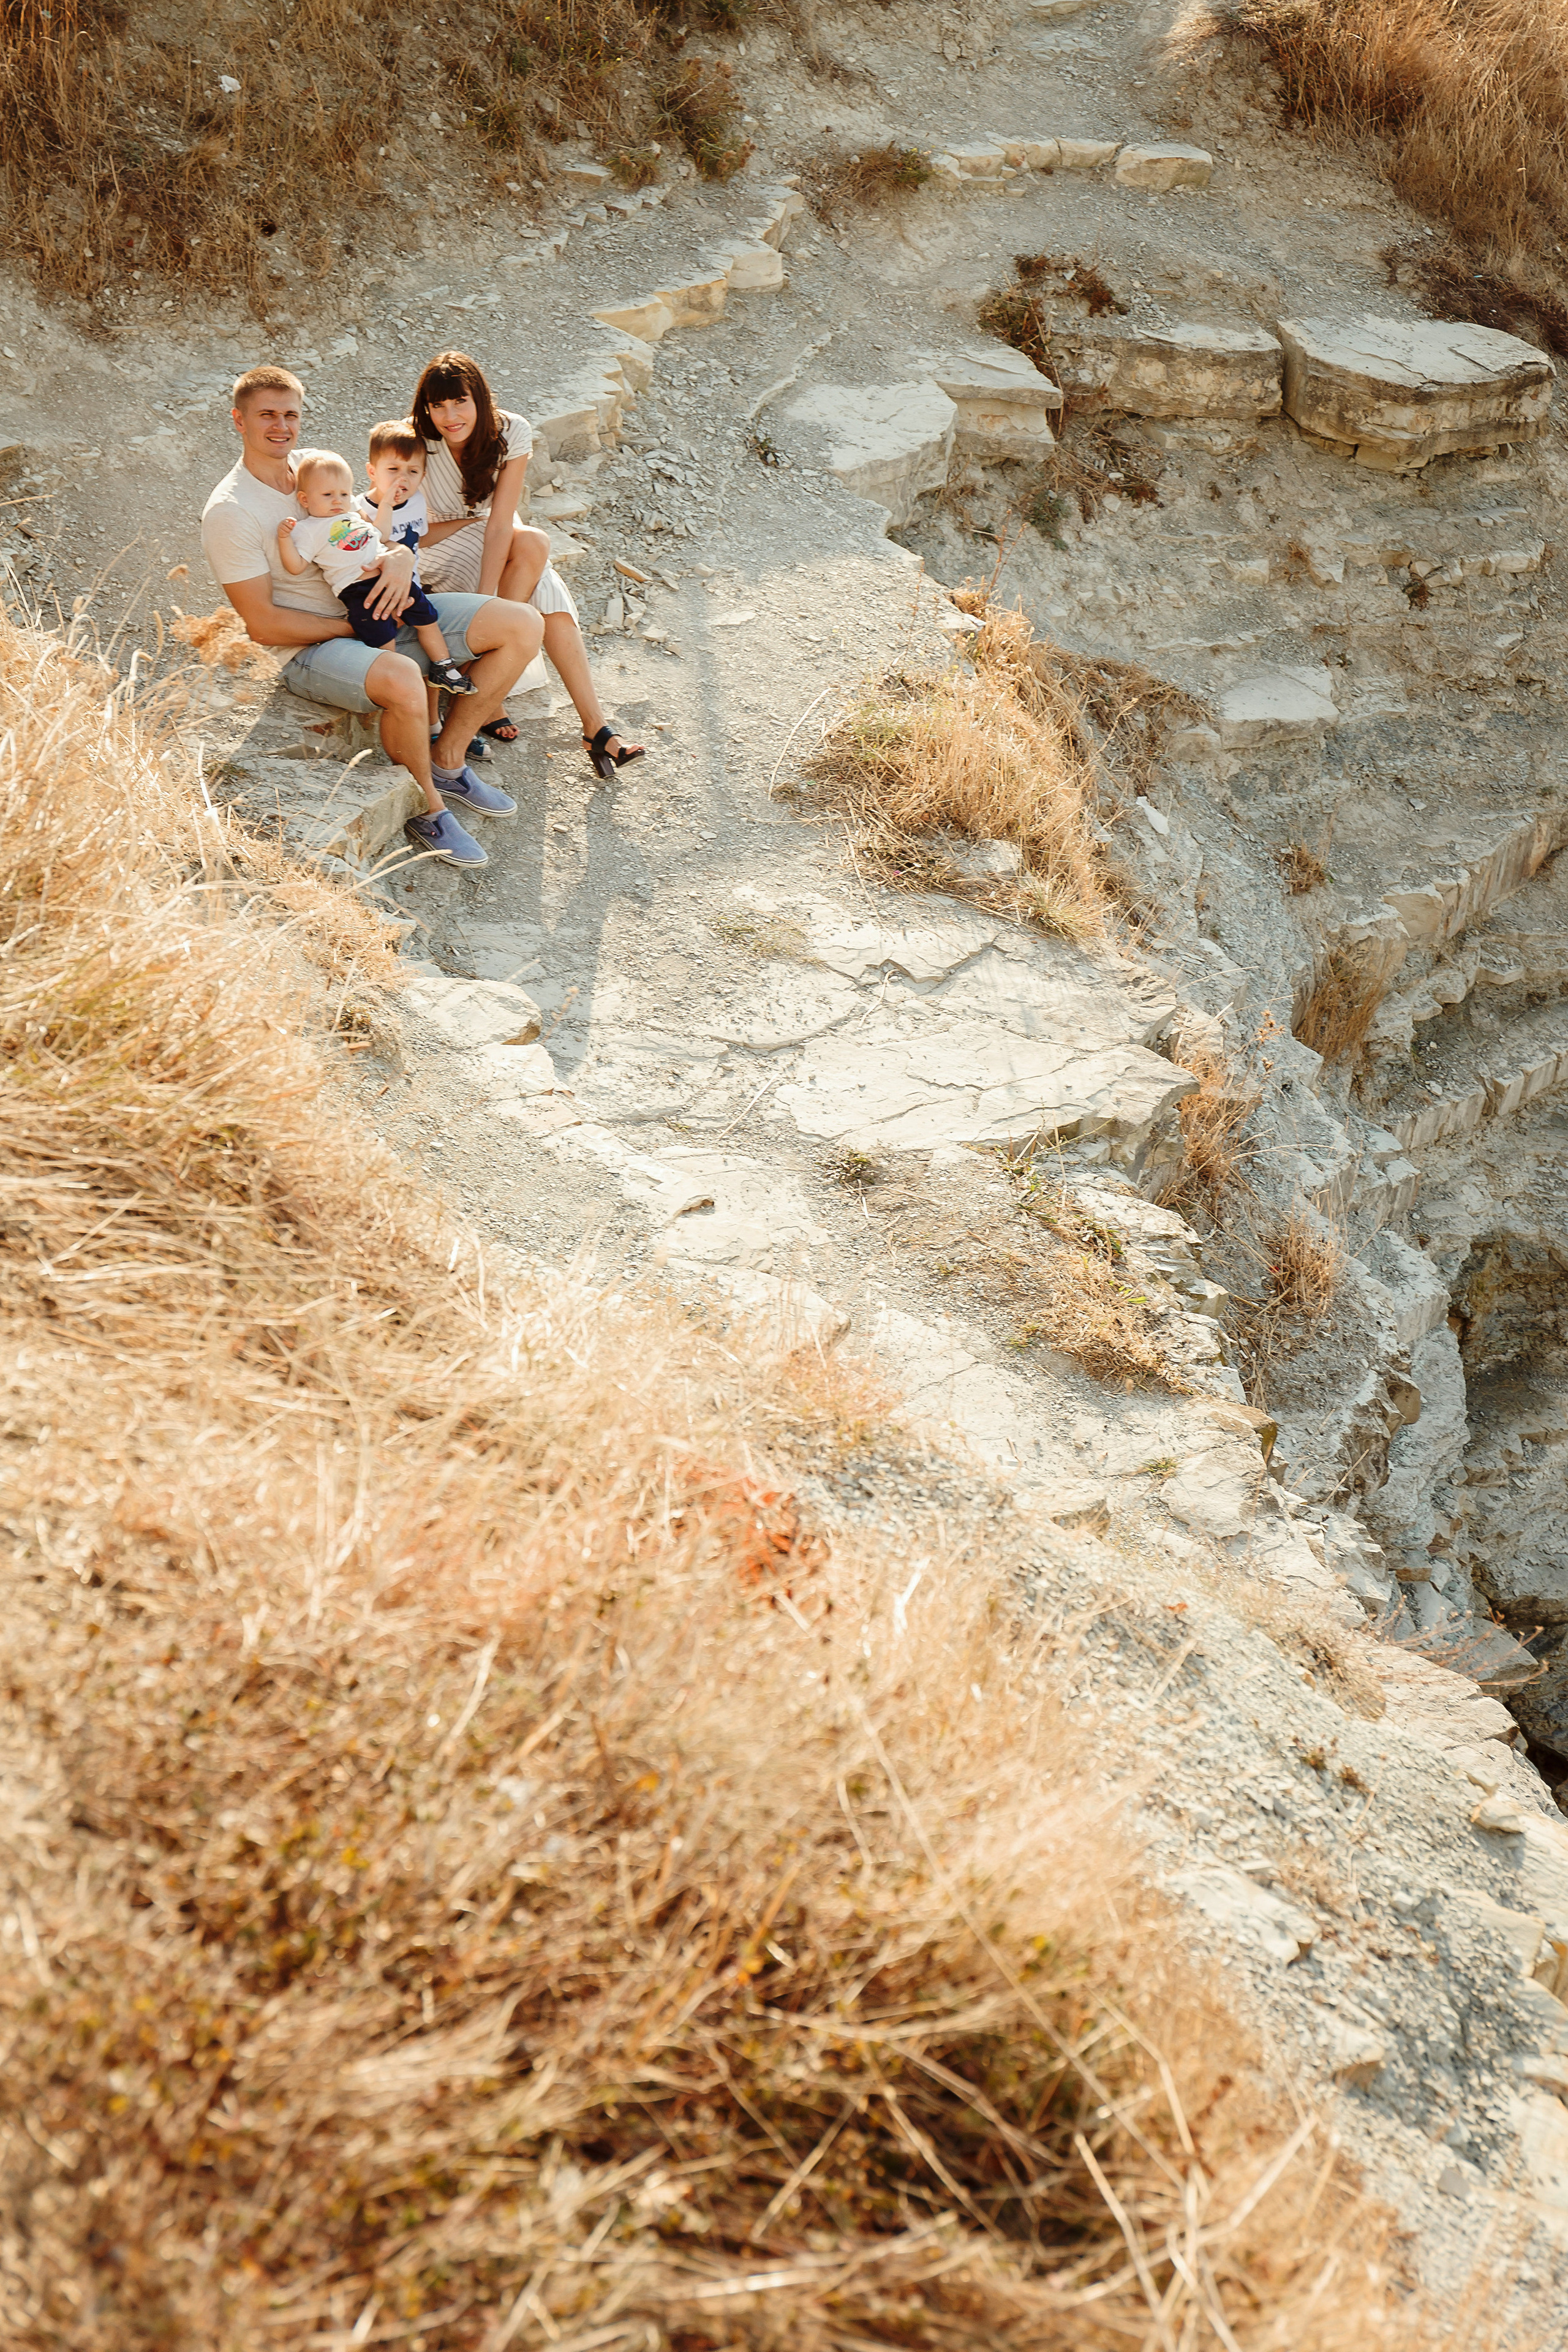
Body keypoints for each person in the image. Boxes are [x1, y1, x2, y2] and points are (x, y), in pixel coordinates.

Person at [200, 364, 541, 871]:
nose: (281, 426)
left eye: (290, 414)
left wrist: (401, 559)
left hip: (384, 607)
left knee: (522, 624)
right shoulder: (231, 510)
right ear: (238, 420)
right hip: (313, 647)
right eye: (266, 415)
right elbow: (263, 626)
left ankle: (448, 760)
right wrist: (356, 626)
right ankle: (430, 808)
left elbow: (373, 523)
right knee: (404, 673)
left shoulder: (315, 469)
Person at [410, 349, 646, 781]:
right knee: (535, 550)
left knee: (537, 560)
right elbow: (403, 521)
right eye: (438, 405)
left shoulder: (510, 431)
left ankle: (594, 725)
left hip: (492, 535)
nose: (450, 415)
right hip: (437, 544)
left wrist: (484, 601)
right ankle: (492, 682)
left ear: (480, 398)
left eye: (460, 401)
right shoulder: (417, 439)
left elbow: (501, 522)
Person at [276, 445, 475, 697]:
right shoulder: (308, 529)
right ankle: (396, 679)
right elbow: (296, 567)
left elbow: (381, 535)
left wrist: (387, 506)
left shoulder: (353, 515)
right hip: (359, 591)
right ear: (305, 499)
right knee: (383, 637)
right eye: (327, 495)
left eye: (344, 493)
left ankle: (443, 667)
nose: (338, 500)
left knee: (427, 617)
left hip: (391, 578)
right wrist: (284, 539)